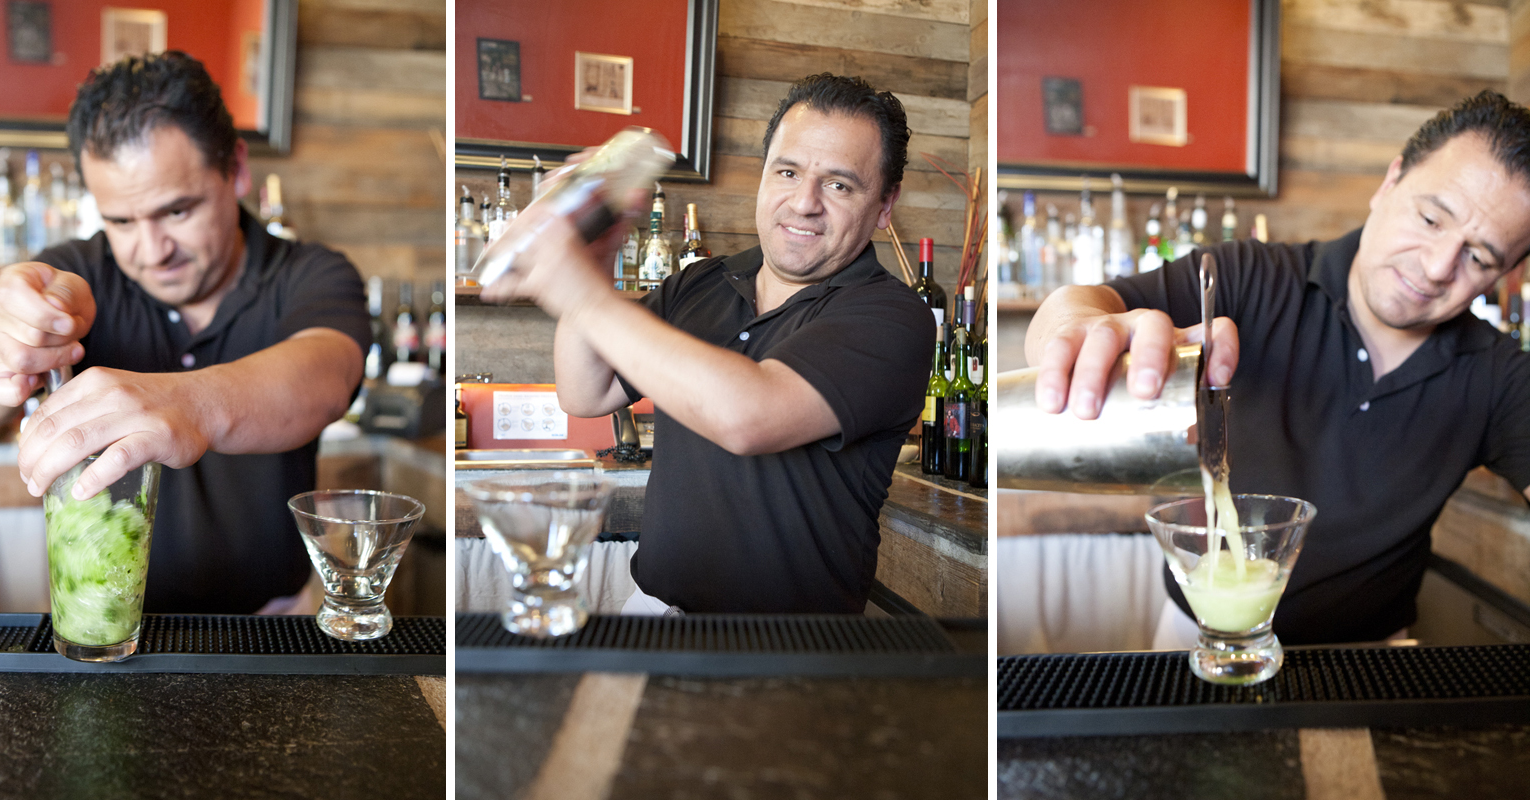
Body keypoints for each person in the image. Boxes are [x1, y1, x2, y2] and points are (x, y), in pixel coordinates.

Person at [1025, 89, 1530, 645]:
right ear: (1391, 182)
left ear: (1503, 273)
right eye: (1432, 217)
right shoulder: (1249, 277)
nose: (1437, 268)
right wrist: (1077, 334)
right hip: (1195, 634)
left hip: (1371, 660)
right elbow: (1077, 306)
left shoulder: (1500, 376)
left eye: (1478, 257)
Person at [0, 52, 371, 614]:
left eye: (178, 211)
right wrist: (3, 334)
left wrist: (189, 403)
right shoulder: (77, 272)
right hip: (105, 622)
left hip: (274, 623)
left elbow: (326, 372)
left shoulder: (310, 273)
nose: (151, 250)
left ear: (235, 169)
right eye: (119, 221)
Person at [482, 73, 935, 614]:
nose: (804, 202)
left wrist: (575, 290)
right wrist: (594, 261)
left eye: (839, 185)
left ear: (885, 205)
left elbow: (750, 417)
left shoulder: (891, 316)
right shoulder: (699, 283)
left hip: (792, 649)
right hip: (652, 612)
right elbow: (585, 392)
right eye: (787, 172)